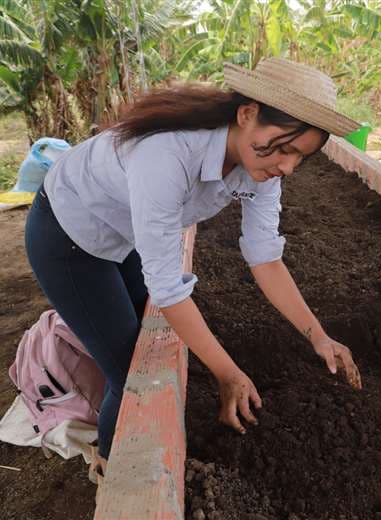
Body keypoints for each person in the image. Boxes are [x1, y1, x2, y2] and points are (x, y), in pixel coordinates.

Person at [25, 58, 363, 474]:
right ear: (246, 114)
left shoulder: (262, 168)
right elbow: (168, 288)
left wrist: (318, 336)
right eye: (285, 147)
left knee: (138, 347)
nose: (288, 166)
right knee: (131, 373)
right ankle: (115, 474)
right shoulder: (167, 156)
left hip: (124, 232)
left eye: (300, 157)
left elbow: (265, 257)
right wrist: (228, 374)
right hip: (68, 236)